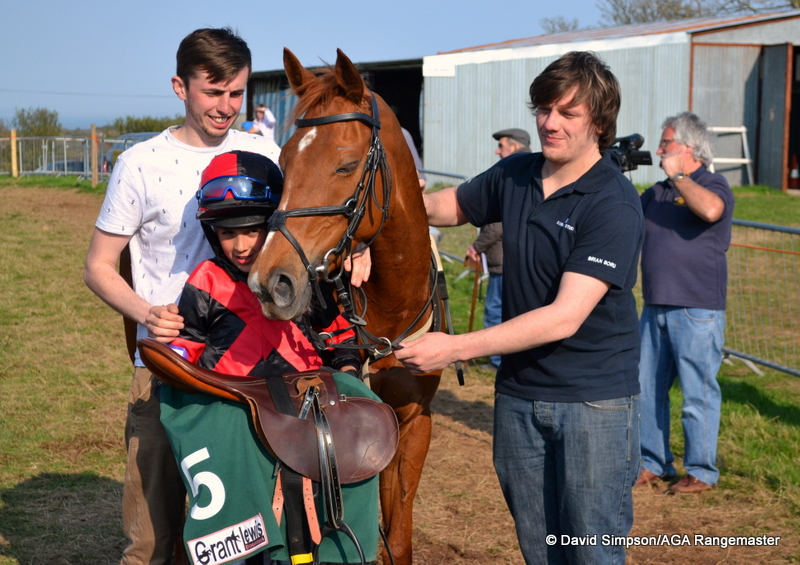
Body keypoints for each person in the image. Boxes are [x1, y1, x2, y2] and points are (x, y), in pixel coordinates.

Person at [395, 51, 644, 565]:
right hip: (519, 398)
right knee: (539, 549)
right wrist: (400, 197)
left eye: (567, 113)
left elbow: (565, 315)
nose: (549, 123)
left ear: (598, 121)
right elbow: (451, 207)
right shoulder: (516, 173)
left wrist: (455, 348)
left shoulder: (612, 202)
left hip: (593, 404)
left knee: (591, 552)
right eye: (543, 109)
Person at [83, 27, 282, 565]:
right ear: (180, 87)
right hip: (168, 364)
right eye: (212, 92)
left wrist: (356, 252)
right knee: (152, 539)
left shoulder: (265, 151)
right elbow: (98, 266)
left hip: (252, 364)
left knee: (248, 531)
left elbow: (303, 237)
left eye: (236, 93)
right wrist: (146, 312)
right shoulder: (139, 163)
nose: (226, 107)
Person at [158, 150, 378, 564]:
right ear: (211, 233)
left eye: (253, 230)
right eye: (227, 233)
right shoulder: (205, 282)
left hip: (306, 412)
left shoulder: (305, 277)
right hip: (234, 415)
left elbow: (340, 336)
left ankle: (346, 550)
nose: (240, 245)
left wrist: (346, 372)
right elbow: (184, 348)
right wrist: (168, 353)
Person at [635, 112, 734, 494]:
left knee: (698, 393)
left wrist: (679, 177)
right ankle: (653, 462)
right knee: (646, 388)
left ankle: (701, 471)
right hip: (655, 304)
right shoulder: (656, 192)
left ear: (689, 149)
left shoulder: (714, 184)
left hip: (697, 309)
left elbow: (711, 211)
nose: (659, 150)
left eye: (666, 143)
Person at [465, 128, 531, 368]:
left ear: (514, 147)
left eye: (501, 146)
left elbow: (497, 224)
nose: (497, 150)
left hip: (504, 261)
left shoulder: (516, 175)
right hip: (514, 260)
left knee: (495, 309)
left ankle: (497, 361)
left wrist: (476, 245)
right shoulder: (530, 171)